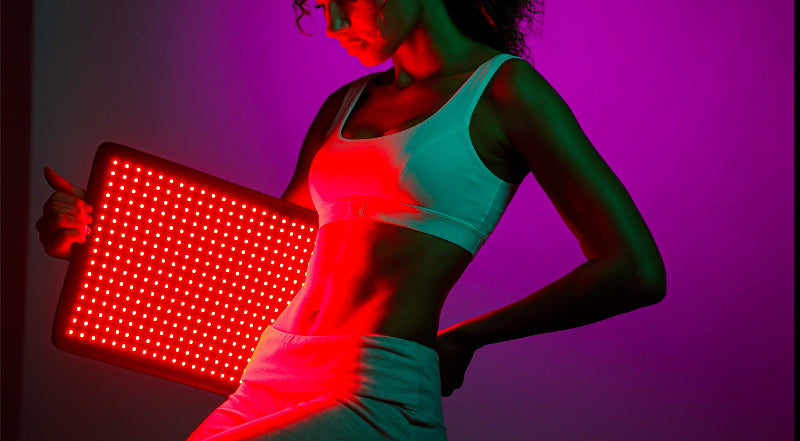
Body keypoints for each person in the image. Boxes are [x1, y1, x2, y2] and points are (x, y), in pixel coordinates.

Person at [35, 0, 666, 440]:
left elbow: (634, 270)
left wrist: (468, 337)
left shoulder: (506, 92)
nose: (333, 22)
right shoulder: (346, 103)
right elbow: (261, 253)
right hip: (270, 373)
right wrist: (99, 237)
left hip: (373, 391)